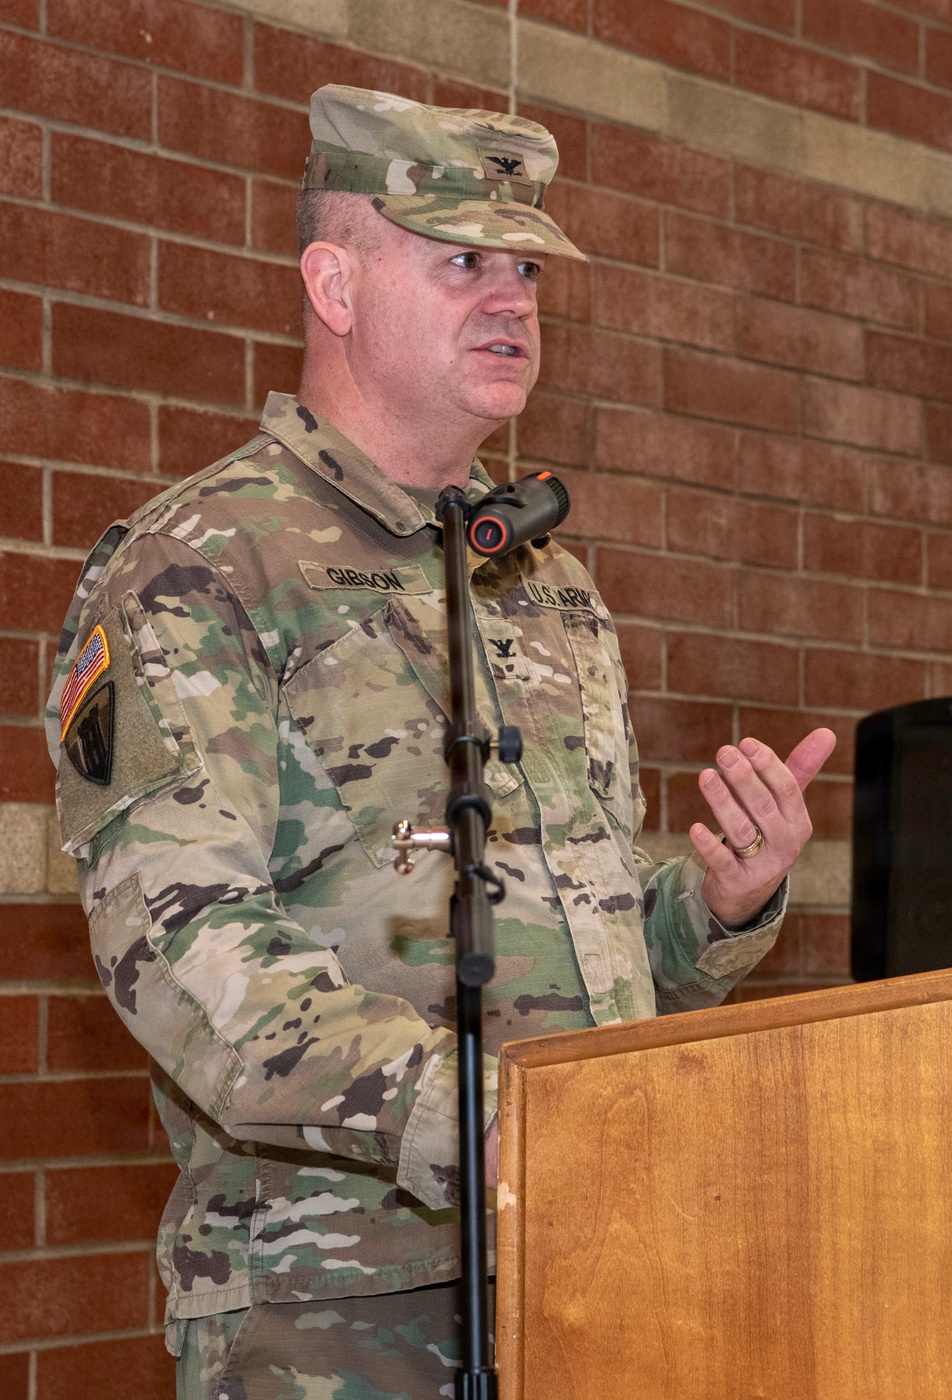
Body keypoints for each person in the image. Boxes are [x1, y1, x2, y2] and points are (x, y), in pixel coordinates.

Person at [46, 86, 835, 1400]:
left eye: (525, 268)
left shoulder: (543, 580)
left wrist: (714, 906)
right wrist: (483, 1119)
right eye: (464, 260)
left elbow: (584, 960)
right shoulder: (195, 569)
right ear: (335, 286)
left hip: (591, 1270)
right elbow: (180, 958)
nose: (513, 298)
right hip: (334, 1309)